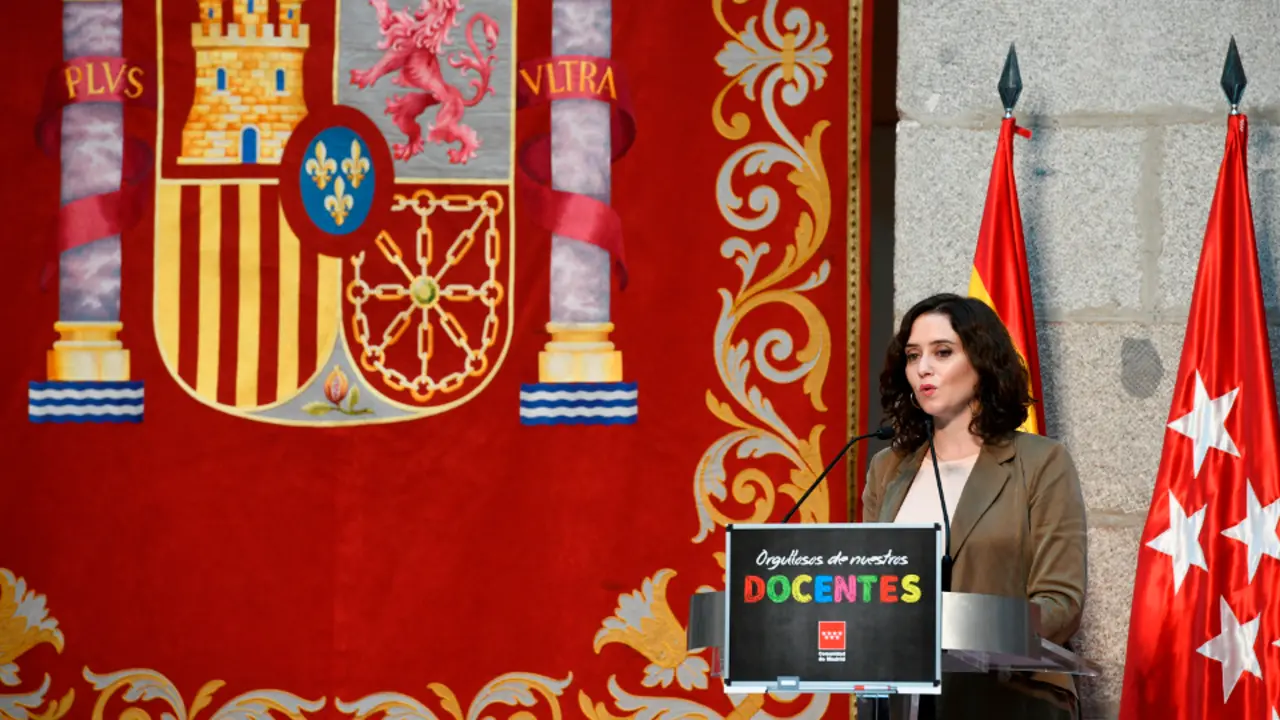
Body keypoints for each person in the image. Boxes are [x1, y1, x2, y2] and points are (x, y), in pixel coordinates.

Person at [862, 293, 1088, 720]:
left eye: (942, 352)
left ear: (982, 363)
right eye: (913, 356)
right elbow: (869, 591)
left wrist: (961, 628)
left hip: (1009, 699)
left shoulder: (1040, 462)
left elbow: (1061, 603)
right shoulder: (887, 468)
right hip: (899, 700)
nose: (923, 368)